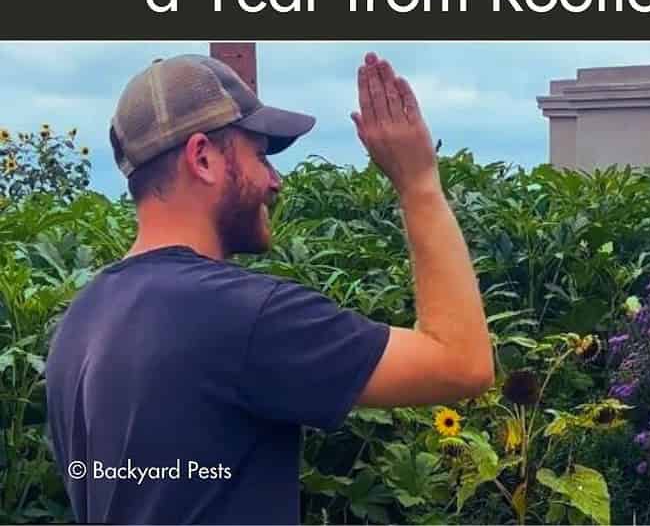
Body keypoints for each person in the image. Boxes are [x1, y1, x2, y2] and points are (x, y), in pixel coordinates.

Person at [45, 52, 494, 524]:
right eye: (260, 156)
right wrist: (419, 183)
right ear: (202, 158)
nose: (275, 180)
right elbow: (461, 363)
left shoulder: (81, 321)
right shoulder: (241, 315)